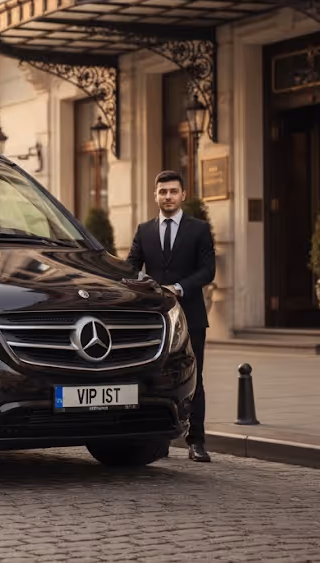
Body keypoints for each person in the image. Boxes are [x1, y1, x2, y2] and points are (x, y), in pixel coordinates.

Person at [126, 170, 216, 462]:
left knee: (195, 377)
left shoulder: (199, 229)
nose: (168, 196)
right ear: (155, 196)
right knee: (154, 377)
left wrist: (178, 288)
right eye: (163, 192)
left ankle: (196, 442)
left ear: (183, 195)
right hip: (156, 320)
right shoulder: (144, 230)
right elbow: (131, 268)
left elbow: (208, 271)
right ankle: (158, 441)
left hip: (191, 316)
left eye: (173, 191)